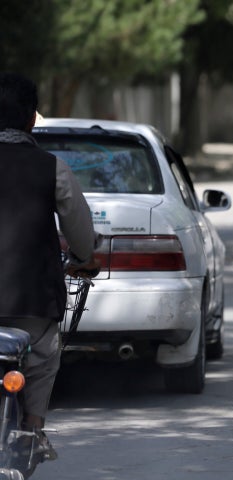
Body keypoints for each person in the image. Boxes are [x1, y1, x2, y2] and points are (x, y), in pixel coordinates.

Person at [0, 73, 99, 458]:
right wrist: (85, 259)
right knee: (44, 356)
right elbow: (80, 232)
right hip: (33, 302)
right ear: (30, 121)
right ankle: (33, 429)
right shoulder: (51, 168)